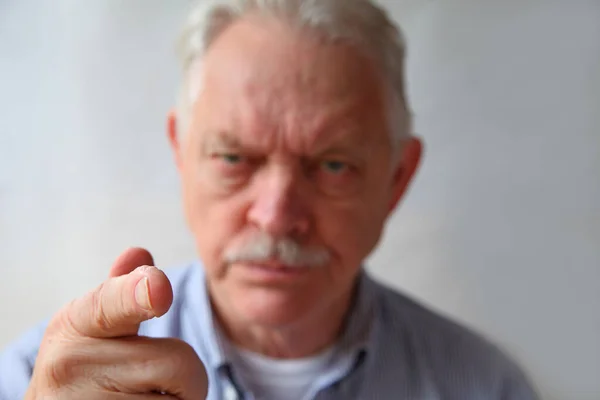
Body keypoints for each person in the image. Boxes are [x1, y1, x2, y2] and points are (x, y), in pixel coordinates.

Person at [0, 0, 540, 399]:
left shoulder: (485, 387)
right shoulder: (41, 378)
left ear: (397, 179)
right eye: (234, 159)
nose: (278, 217)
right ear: (181, 153)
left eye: (332, 166)